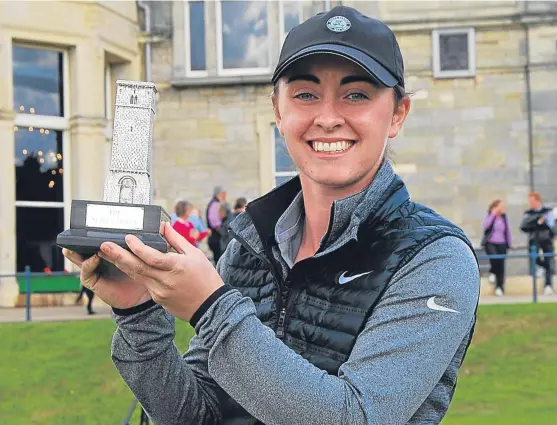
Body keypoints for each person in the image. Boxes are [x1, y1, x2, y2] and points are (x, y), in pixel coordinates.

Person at [63, 6, 480, 425]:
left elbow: (356, 417)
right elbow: (196, 415)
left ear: (397, 114)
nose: (329, 117)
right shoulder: (249, 245)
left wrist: (211, 307)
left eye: (357, 94)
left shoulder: (435, 259)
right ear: (278, 112)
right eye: (305, 94)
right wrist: (138, 314)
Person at [520, 192, 555, 296]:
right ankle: (544, 268)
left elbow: (553, 226)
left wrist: (544, 221)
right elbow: (524, 225)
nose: (530, 203)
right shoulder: (528, 213)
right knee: (534, 257)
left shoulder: (547, 212)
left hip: (546, 239)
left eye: (532, 201)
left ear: (537, 200)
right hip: (534, 239)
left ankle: (548, 285)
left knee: (549, 260)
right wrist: (537, 220)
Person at [482, 199, 513, 296]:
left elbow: (508, 231)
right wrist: (493, 214)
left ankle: (500, 287)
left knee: (501, 265)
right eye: (500, 206)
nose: (502, 209)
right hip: (491, 242)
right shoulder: (490, 216)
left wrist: (510, 243)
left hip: (502, 243)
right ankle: (492, 272)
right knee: (494, 259)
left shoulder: (503, 218)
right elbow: (486, 226)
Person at [206, 185, 227, 264]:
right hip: (216, 239)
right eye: (224, 194)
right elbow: (215, 223)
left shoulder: (216, 203)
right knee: (219, 262)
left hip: (216, 239)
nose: (225, 196)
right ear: (219, 194)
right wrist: (224, 232)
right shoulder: (215, 204)